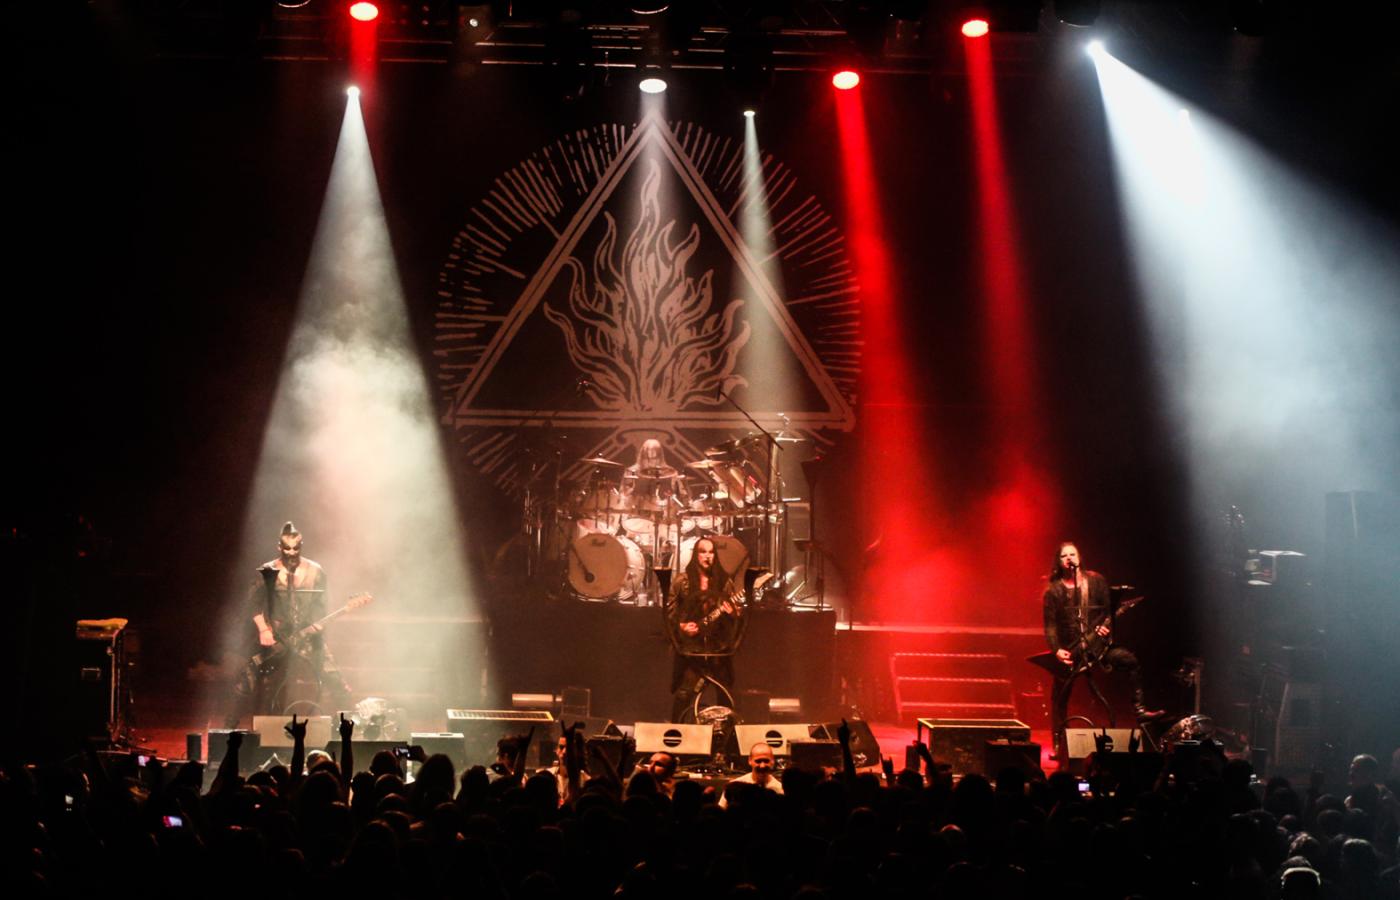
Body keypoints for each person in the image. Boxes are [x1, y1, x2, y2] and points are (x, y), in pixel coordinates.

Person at [1041, 541, 1162, 762]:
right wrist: (1057, 649)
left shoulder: (1096, 581)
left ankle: (1140, 710)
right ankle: (1059, 743)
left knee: (1130, 661)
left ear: (1079, 557)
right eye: (1064, 556)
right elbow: (1050, 625)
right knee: (1059, 696)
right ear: (1058, 562)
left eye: (1073, 554)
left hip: (1098, 646)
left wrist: (1107, 628)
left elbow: (1109, 612)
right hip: (1071, 651)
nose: (1069, 558)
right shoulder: (1053, 591)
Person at [228, 522, 351, 726]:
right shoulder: (268, 570)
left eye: (296, 548)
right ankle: (228, 729)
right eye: (287, 549)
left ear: (301, 546)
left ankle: (350, 726)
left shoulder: (316, 571)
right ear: (279, 547)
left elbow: (322, 605)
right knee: (246, 680)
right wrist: (264, 629)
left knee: (335, 679)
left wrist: (318, 626)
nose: (292, 553)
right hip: (277, 636)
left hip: (307, 636)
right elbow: (253, 604)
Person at [665, 537, 741, 722]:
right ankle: (677, 732)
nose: (708, 556)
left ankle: (726, 733)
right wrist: (682, 627)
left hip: (718, 648)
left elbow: (737, 615)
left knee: (725, 695)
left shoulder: (724, 582)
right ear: (695, 555)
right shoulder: (682, 581)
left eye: (711, 552)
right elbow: (669, 614)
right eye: (703, 551)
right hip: (692, 649)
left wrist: (733, 612)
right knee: (684, 694)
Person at [719, 742, 784, 808]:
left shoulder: (780, 790)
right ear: (750, 760)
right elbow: (720, 812)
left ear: (772, 761)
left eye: (766, 761)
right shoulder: (734, 788)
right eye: (758, 761)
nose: (762, 766)